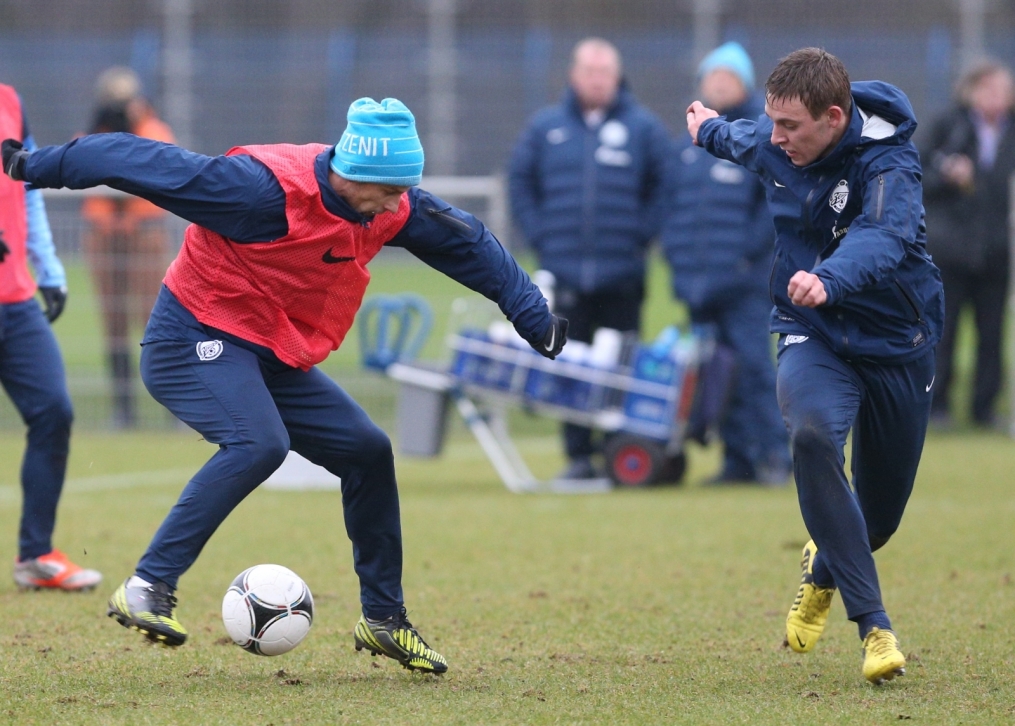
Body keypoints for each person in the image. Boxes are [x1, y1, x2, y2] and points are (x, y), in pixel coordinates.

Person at [3, 97, 567, 674]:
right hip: (192, 339)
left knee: (368, 451)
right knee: (259, 442)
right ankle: (148, 585)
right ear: (353, 174)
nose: (398, 206)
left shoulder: (388, 205)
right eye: (389, 191)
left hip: (269, 353)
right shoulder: (260, 191)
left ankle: (384, 618)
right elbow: (137, 159)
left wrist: (532, 314)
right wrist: (36, 166)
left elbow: (468, 241)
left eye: (404, 191)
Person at [686, 48, 943, 685]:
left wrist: (829, 278)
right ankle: (875, 627)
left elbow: (883, 237)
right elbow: (742, 138)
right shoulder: (775, 139)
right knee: (810, 434)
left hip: (896, 343)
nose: (776, 137)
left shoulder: (890, 163)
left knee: (875, 521)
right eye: (772, 120)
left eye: (790, 126)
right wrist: (706, 127)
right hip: (812, 331)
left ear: (833, 117)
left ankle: (823, 566)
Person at [508, 37, 670, 481]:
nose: (597, 80)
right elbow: (519, 182)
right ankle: (578, 455)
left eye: (605, 72)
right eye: (589, 71)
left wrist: (640, 236)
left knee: (621, 367)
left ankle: (617, 451)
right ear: (573, 75)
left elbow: (666, 185)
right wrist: (542, 237)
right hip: (564, 273)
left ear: (617, 77)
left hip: (623, 274)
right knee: (570, 366)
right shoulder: (546, 128)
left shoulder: (644, 129)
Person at [660, 42, 790, 485]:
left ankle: (776, 456)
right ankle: (738, 460)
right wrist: (677, 259)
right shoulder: (685, 145)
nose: (718, 83)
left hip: (745, 284)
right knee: (716, 374)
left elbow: (770, 211)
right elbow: (669, 210)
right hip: (698, 284)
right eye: (712, 75)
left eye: (728, 76)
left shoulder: (762, 136)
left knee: (754, 370)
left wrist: (742, 262)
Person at [0, 83, 102, 592]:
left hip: (15, 298)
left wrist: (50, 267)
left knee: (54, 412)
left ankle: (35, 556)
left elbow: (27, 184)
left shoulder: (11, 102)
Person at [920, 61, 1015, 428]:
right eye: (989, 89)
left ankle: (984, 409)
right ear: (971, 91)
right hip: (951, 248)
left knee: (992, 333)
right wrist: (948, 176)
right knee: (943, 331)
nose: (997, 98)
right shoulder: (948, 125)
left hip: (997, 249)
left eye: (1003, 90)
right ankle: (937, 405)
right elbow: (918, 174)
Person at [82, 67, 176, 427]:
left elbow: (161, 167)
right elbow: (80, 169)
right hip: (105, 237)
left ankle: (174, 407)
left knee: (154, 317)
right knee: (114, 321)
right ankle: (123, 409)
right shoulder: (93, 133)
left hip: (144, 235)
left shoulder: (153, 130)